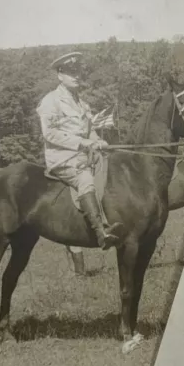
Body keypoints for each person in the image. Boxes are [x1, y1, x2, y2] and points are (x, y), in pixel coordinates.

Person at [36, 52, 122, 250]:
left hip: (84, 154)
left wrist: (98, 141)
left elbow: (89, 130)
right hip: (62, 157)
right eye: (70, 72)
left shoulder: (82, 103)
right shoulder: (51, 101)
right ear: (60, 75)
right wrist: (82, 143)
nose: (76, 76)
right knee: (84, 179)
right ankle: (101, 232)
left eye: (78, 72)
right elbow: (49, 134)